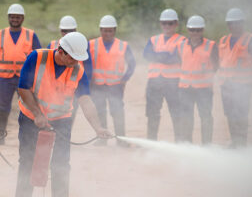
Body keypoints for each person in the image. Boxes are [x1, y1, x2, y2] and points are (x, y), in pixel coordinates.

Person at [4, 32, 112, 197]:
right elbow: (23, 87)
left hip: (61, 120)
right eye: (73, 58)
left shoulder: (77, 70)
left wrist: (98, 128)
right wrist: (38, 114)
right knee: (27, 160)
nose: (76, 62)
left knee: (61, 165)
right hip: (31, 117)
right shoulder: (37, 58)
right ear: (61, 52)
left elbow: (86, 100)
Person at [0, 3, 42, 144]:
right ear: (8, 17)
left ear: (22, 18)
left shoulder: (30, 35)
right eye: (12, 17)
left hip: (25, 79)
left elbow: (38, 56)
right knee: (2, 107)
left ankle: (29, 137)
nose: (15, 19)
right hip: (4, 79)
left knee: (28, 107)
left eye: (18, 17)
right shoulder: (0, 34)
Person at [218, 8, 252, 148]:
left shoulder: (251, 40)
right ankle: (235, 142)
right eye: (231, 23)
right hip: (226, 84)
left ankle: (241, 144)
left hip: (243, 85)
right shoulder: (223, 40)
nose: (234, 25)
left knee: (240, 115)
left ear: (242, 23)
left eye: (237, 22)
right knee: (230, 115)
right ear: (228, 24)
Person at [89, 15, 136, 146]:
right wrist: (88, 80)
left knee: (117, 113)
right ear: (100, 30)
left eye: (110, 30)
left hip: (115, 86)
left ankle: (121, 140)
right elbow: (85, 63)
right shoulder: (92, 44)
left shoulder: (123, 46)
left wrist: (124, 79)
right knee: (100, 112)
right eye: (105, 30)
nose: (107, 33)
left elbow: (132, 64)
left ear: (114, 31)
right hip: (97, 85)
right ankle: (102, 139)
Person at [143, 9, 185, 141]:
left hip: (174, 82)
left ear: (176, 24)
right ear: (160, 24)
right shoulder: (154, 39)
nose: (167, 26)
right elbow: (146, 55)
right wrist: (166, 56)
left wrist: (158, 56)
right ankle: (151, 140)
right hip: (154, 81)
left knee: (176, 113)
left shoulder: (182, 40)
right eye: (164, 23)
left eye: (170, 23)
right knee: (152, 113)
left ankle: (179, 141)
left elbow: (177, 58)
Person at [177, 15, 218, 144]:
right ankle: (188, 144)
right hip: (185, 89)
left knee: (205, 118)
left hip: (204, 89)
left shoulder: (211, 46)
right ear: (188, 30)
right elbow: (180, 63)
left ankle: (206, 145)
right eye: (192, 30)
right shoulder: (181, 45)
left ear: (202, 30)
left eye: (198, 30)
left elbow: (216, 65)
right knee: (186, 118)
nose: (195, 33)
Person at [47, 15, 93, 125]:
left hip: (73, 87)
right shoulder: (53, 45)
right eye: (64, 31)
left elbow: (88, 67)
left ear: (75, 30)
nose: (67, 33)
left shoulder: (82, 45)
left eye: (70, 30)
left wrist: (84, 86)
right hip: (54, 88)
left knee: (68, 116)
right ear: (60, 31)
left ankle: (64, 138)